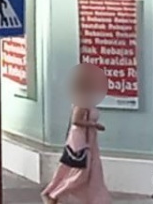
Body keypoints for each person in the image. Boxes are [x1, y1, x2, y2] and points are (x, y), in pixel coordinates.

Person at [42, 64, 112, 204]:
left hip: (89, 140)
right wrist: (94, 125)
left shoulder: (88, 100)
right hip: (80, 140)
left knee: (88, 173)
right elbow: (76, 120)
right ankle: (55, 194)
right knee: (81, 173)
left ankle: (91, 199)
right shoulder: (81, 101)